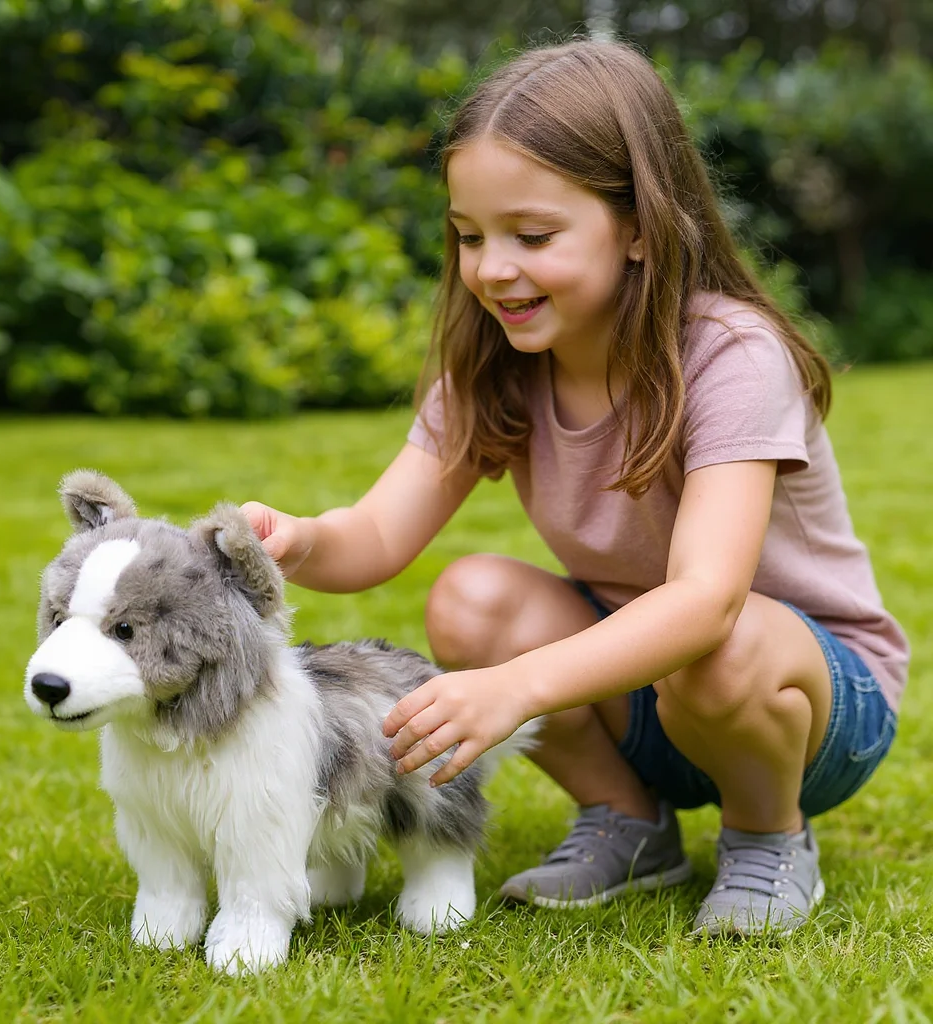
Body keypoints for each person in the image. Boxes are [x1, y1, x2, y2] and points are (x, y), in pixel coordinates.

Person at [241, 38, 908, 937]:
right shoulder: (496, 367)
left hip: (811, 707)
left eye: (533, 236)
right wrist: (297, 539)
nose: (492, 269)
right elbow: (375, 536)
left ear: (638, 225)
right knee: (472, 598)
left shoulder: (731, 354)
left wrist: (514, 688)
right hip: (643, 697)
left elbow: (708, 602)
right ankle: (628, 823)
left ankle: (767, 837)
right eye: (469, 236)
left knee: (718, 643)